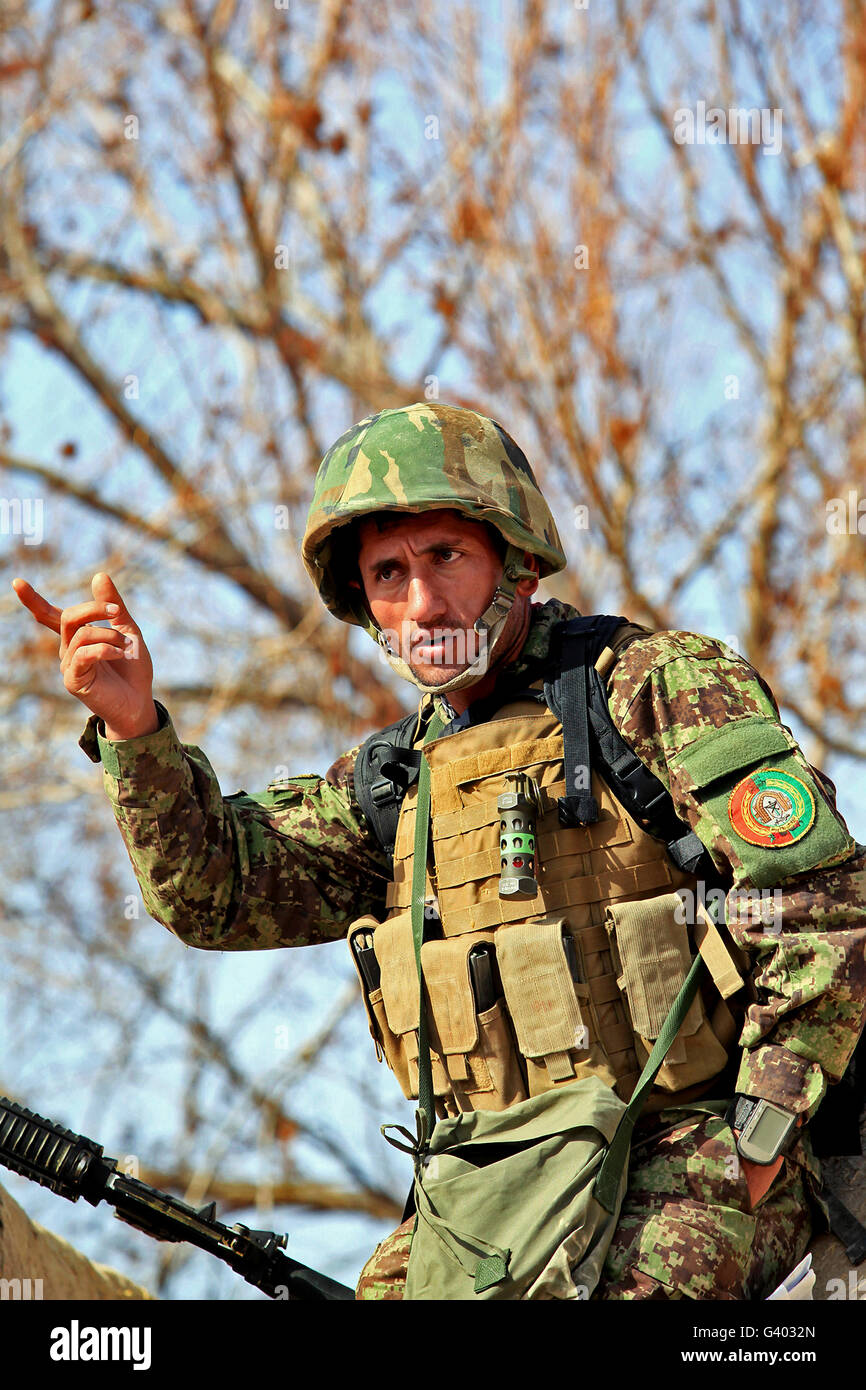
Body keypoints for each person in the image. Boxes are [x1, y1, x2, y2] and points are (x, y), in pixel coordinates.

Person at [12, 401, 866, 1301]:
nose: (420, 602)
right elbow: (214, 893)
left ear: (520, 560)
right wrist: (134, 727)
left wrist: (762, 1135)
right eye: (388, 572)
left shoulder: (656, 686)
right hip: (487, 1188)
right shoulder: (393, 785)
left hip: (684, 1153)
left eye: (444, 557)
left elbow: (822, 902)